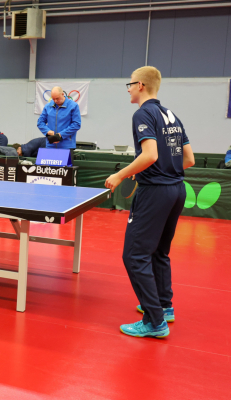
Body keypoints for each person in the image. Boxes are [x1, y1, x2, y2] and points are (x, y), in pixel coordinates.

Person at [104, 66, 195, 338]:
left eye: (130, 84)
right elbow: (188, 159)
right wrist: (167, 174)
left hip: (155, 192)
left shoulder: (143, 113)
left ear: (141, 85)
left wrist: (120, 175)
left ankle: (155, 321)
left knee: (134, 255)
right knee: (159, 252)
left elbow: (150, 155)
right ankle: (165, 306)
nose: (129, 89)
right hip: (177, 190)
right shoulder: (172, 116)